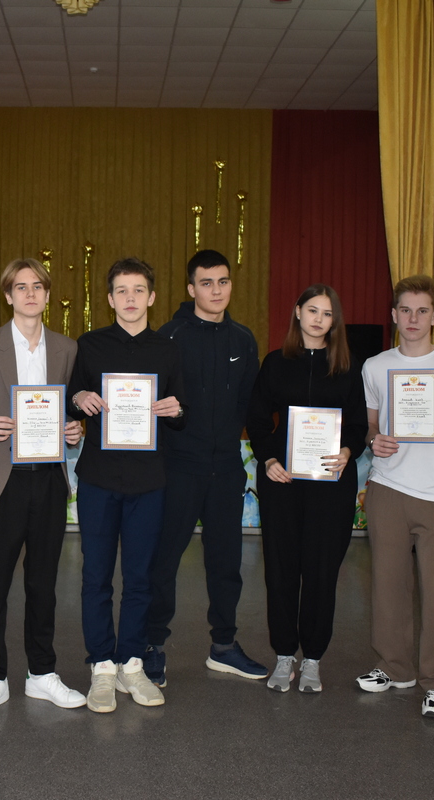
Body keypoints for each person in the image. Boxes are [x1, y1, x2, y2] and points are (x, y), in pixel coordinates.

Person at [0, 258, 86, 720]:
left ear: (47, 295)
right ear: (8, 295)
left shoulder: (67, 348)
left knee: (43, 584)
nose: (30, 294)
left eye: (38, 286)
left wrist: (75, 429)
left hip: (47, 479)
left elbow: (71, 409)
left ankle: (41, 673)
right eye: (21, 287)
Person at [357, 274, 434, 718]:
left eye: (422, 311)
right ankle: (394, 668)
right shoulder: (375, 366)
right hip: (387, 488)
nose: (413, 319)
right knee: (387, 586)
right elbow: (370, 425)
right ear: (394, 315)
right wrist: (374, 440)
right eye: (405, 310)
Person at [68, 257, 186, 713]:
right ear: (110, 298)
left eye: (139, 290)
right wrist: (78, 396)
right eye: (122, 290)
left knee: (140, 577)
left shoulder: (168, 349)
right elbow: (72, 399)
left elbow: (182, 412)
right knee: (95, 576)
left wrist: (176, 410)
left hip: (149, 481)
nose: (130, 298)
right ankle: (101, 666)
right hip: (99, 479)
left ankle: (131, 663)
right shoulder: (89, 345)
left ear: (151, 297)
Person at [145, 249, 263, 687]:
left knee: (226, 562)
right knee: (164, 562)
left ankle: (224, 646)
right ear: (191, 288)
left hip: (226, 470)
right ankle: (152, 646)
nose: (216, 290)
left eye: (223, 282)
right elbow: (152, 404)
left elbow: (250, 404)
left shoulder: (243, 340)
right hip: (178, 469)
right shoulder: (169, 337)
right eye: (207, 283)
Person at [247, 284, 368, 694]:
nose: (319, 319)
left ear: (335, 321)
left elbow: (357, 423)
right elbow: (257, 419)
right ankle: (284, 655)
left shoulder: (348, 366)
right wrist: (268, 459)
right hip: (283, 481)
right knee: (281, 571)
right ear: (298, 313)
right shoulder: (276, 362)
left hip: (331, 484)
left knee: (321, 571)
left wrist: (349, 450)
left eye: (327, 313)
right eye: (312, 310)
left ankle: (313, 658)